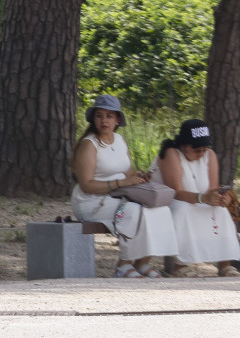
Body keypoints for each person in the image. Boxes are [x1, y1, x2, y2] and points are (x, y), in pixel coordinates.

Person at [72, 94, 178, 278]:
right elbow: (86, 185)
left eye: (109, 116)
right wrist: (121, 182)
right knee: (132, 211)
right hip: (93, 202)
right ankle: (123, 265)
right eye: (99, 115)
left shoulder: (120, 141)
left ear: (118, 120)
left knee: (159, 210)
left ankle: (142, 262)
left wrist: (139, 177)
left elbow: (127, 173)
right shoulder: (89, 145)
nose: (104, 120)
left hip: (119, 196)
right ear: (93, 118)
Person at [150, 119, 240, 277]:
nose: (202, 153)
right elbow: (176, 192)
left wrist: (220, 198)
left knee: (220, 211)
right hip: (169, 202)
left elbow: (212, 188)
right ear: (183, 145)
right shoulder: (171, 153)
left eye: (205, 148)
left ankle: (225, 265)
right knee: (183, 209)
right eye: (197, 149)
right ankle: (182, 265)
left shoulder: (209, 155)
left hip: (199, 200)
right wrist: (204, 198)